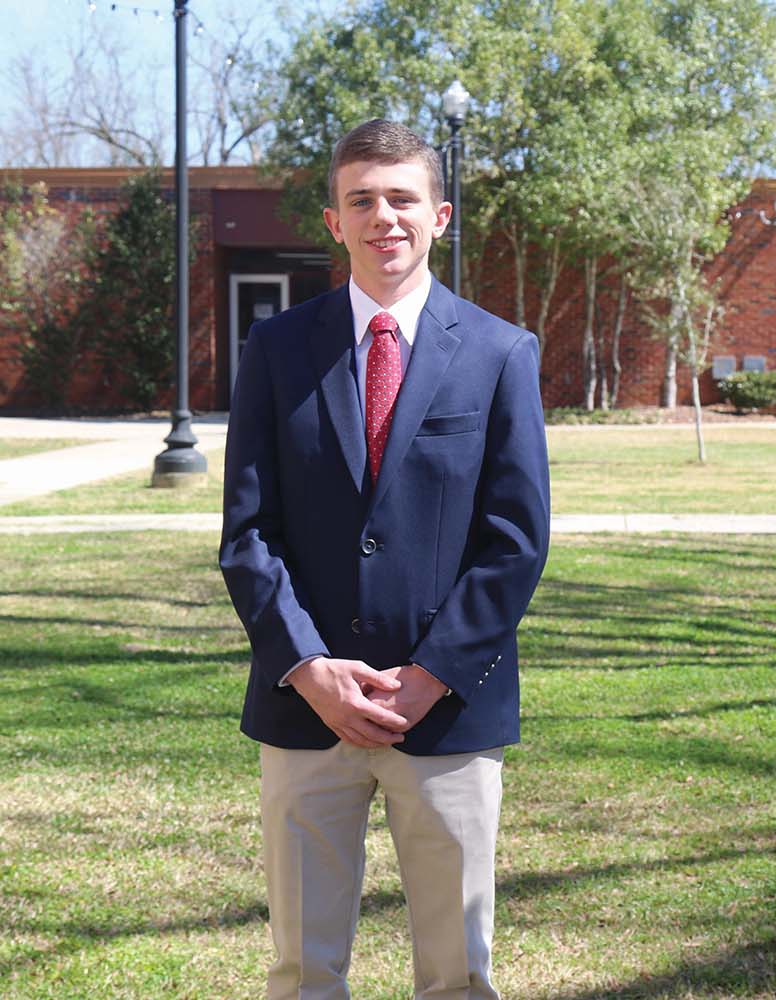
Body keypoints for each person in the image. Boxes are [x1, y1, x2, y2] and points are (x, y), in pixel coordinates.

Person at [220, 118, 550, 1000]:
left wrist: (432, 674)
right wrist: (308, 667)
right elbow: (248, 535)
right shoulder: (278, 350)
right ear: (333, 221)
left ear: (440, 215)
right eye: (361, 200)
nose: (383, 218)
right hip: (305, 712)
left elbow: (515, 541)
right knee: (301, 972)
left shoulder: (500, 352)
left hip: (444, 716)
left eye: (402, 198)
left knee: (456, 973)